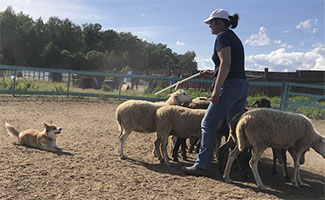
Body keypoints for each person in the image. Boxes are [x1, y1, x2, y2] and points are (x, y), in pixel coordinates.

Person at [182, 9, 249, 176]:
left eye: (211, 23)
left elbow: (225, 64)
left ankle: (202, 165)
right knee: (235, 127)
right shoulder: (233, 37)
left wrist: (217, 89)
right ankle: (235, 162)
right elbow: (231, 66)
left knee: (208, 124)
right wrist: (212, 73)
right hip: (241, 85)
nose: (209, 26)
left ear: (219, 22)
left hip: (230, 86)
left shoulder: (222, 37)